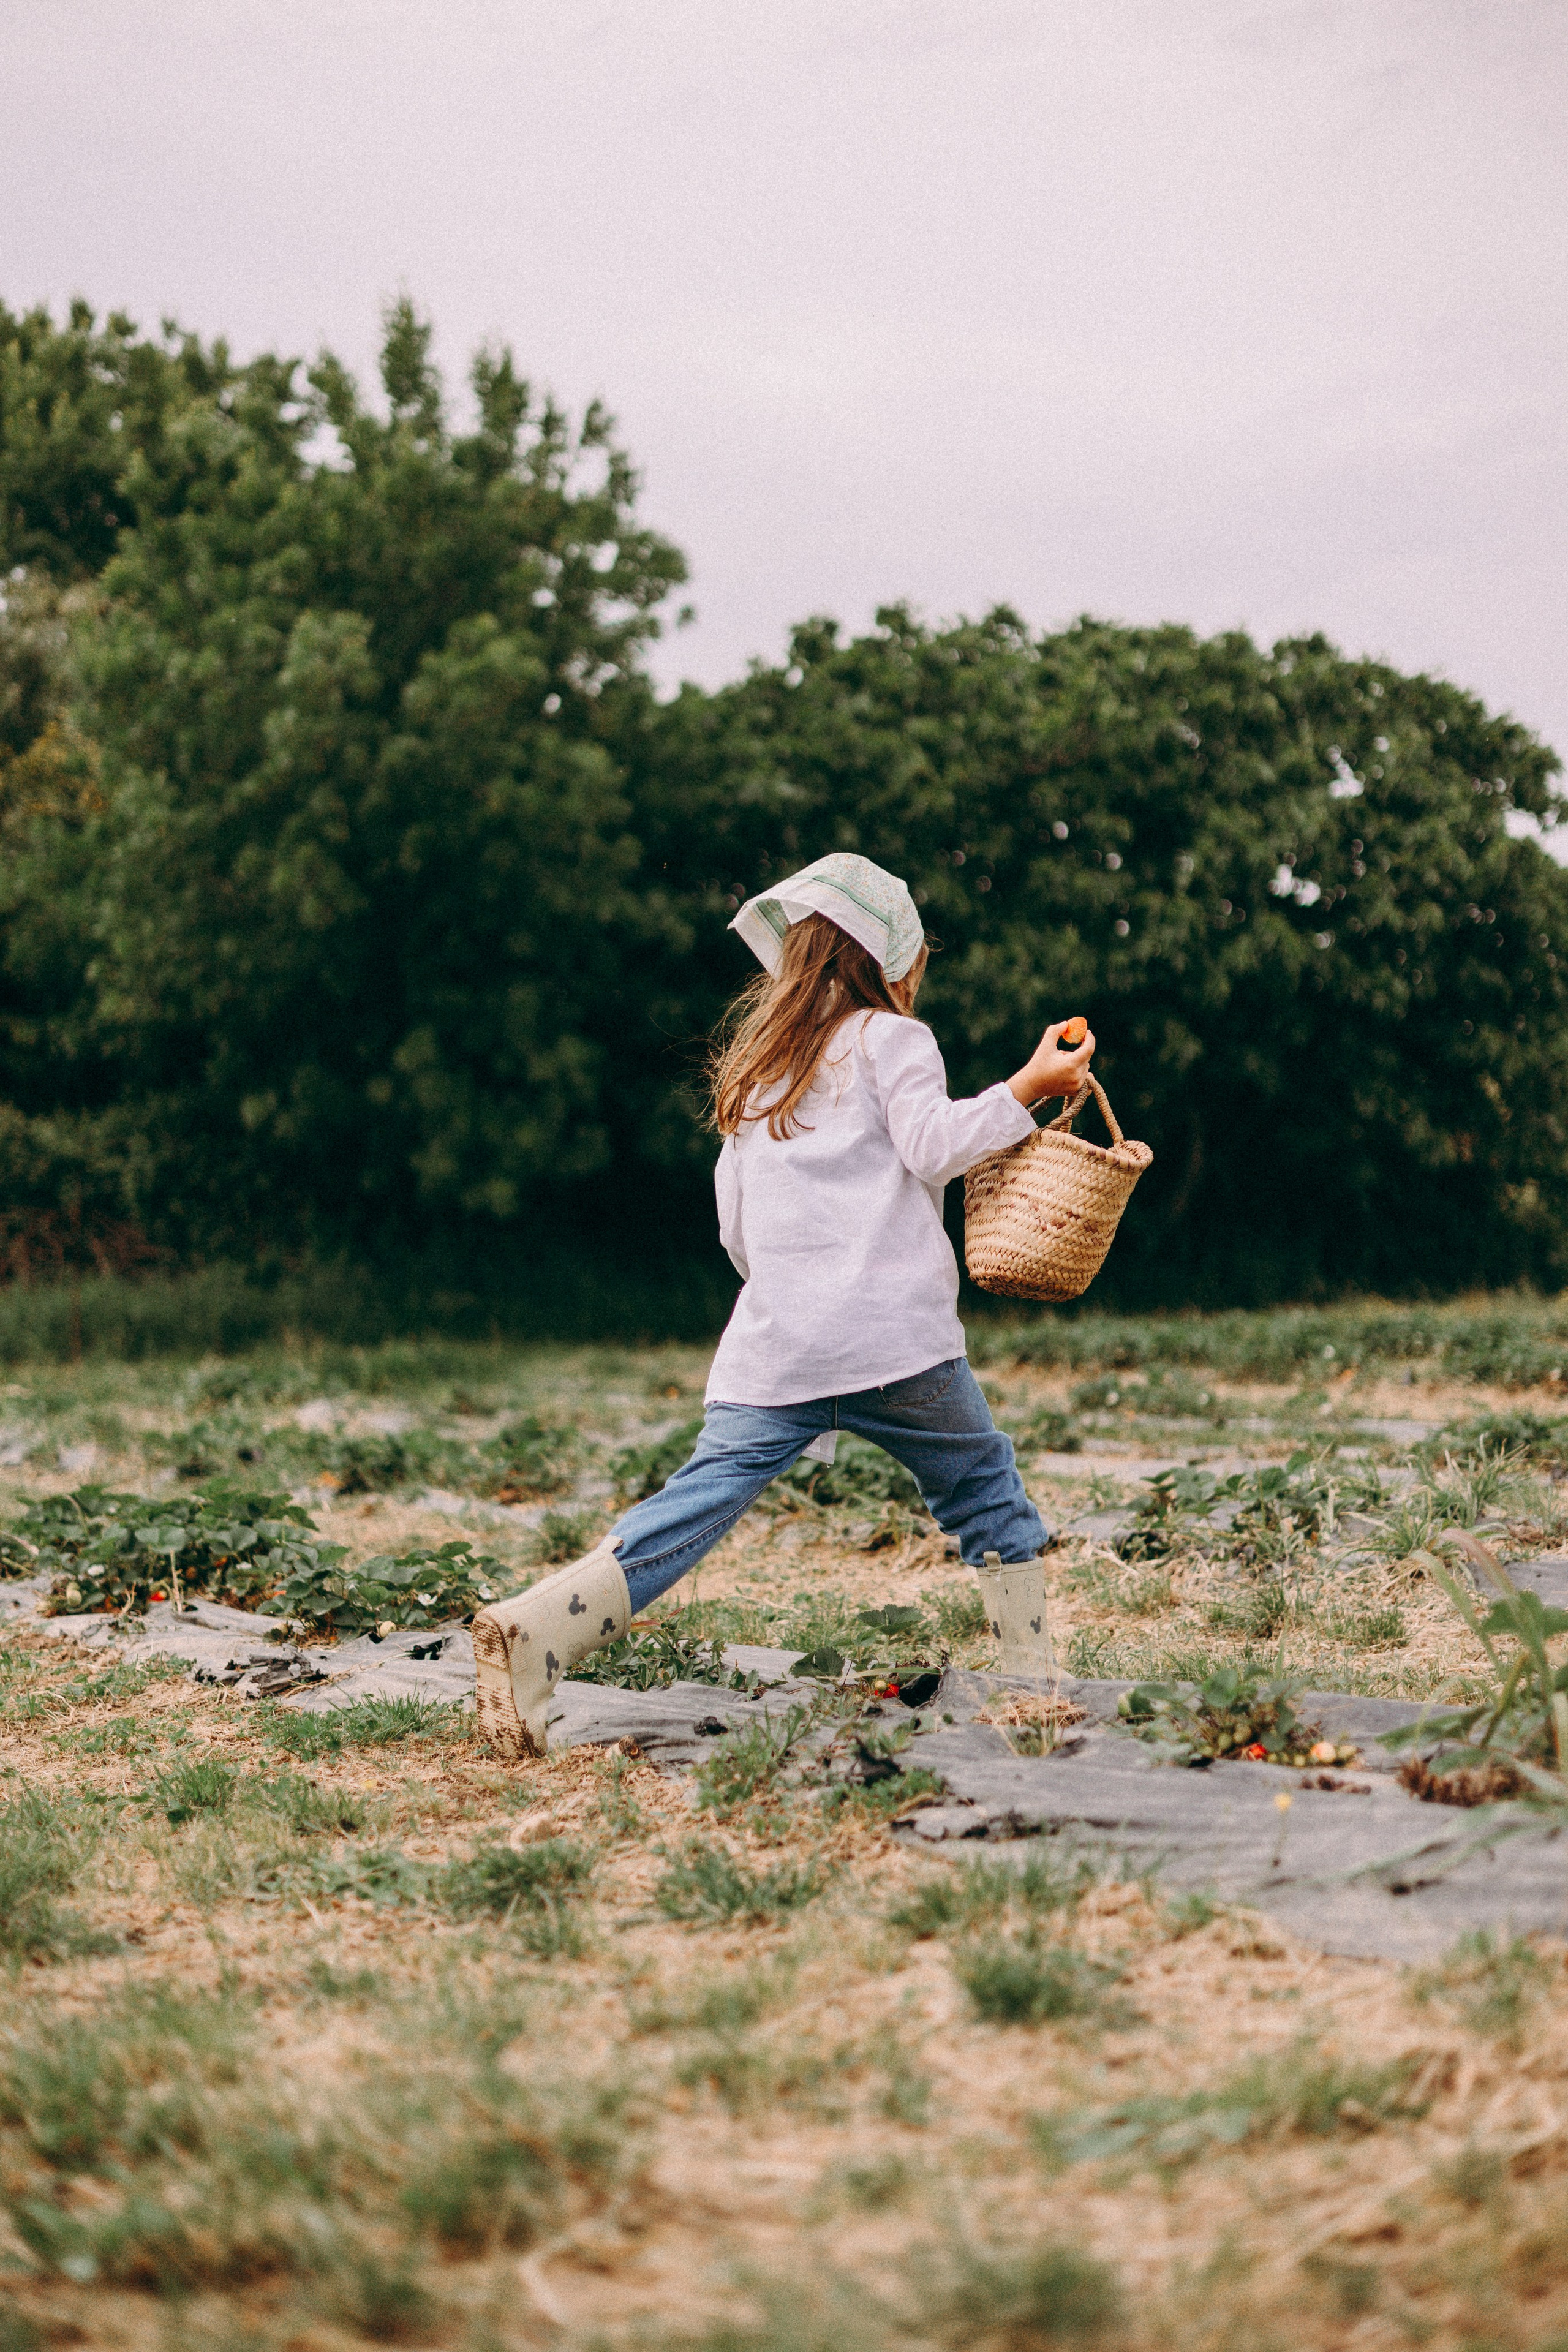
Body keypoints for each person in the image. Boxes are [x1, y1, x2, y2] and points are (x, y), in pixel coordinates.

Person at [473, 851, 1095, 1759]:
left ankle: (538, 1629)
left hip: (777, 1349)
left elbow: (736, 1227)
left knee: (693, 1507)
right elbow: (934, 1145)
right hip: (897, 1347)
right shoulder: (893, 1040)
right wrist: (1028, 1088)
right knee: (982, 1487)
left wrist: (792, 1291)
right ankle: (1033, 1685)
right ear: (892, 960)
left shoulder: (761, 1069)